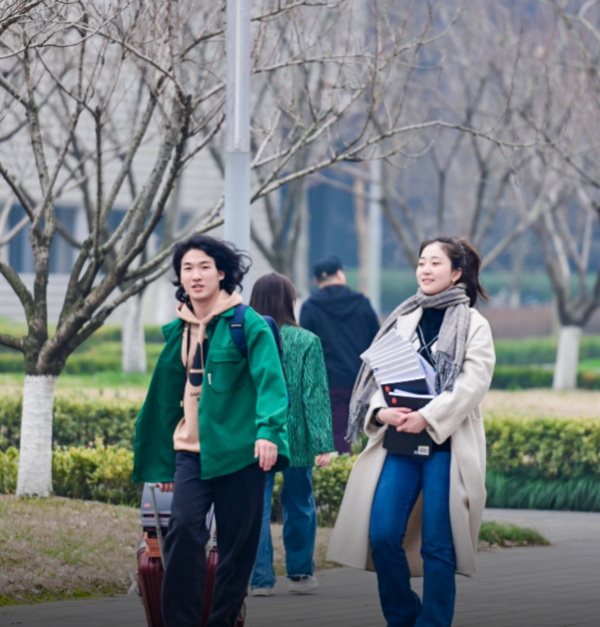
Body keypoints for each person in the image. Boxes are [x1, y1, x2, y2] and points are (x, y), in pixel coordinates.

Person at [327, 237, 496, 627]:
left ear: (456, 273)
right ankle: (402, 617)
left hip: (446, 444)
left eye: (435, 263)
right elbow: (378, 379)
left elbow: (472, 385)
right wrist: (380, 411)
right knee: (383, 535)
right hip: (400, 442)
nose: (425, 270)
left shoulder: (474, 324)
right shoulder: (403, 317)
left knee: (438, 543)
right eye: (421, 262)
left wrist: (428, 417)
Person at [132, 235, 290, 627]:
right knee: (184, 531)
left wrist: (268, 432)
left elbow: (271, 383)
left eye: (204, 267)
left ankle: (223, 620)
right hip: (192, 453)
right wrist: (162, 463)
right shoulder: (179, 330)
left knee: (237, 548)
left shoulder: (247, 323)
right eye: (187, 268)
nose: (195, 275)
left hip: (241, 453)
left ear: (222, 273)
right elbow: (164, 401)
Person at [248, 273, 335, 596]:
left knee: (256, 506)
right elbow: (315, 395)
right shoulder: (307, 340)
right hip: (297, 437)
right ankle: (300, 573)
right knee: (299, 502)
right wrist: (323, 442)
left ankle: (259, 580)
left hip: (258, 434)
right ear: (291, 301)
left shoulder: (246, 336)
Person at [300, 255, 379, 453]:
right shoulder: (362, 304)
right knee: (368, 432)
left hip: (327, 382)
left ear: (316, 280)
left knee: (337, 435)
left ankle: (338, 468)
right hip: (361, 381)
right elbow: (377, 343)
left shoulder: (310, 307)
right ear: (340, 274)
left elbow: (304, 348)